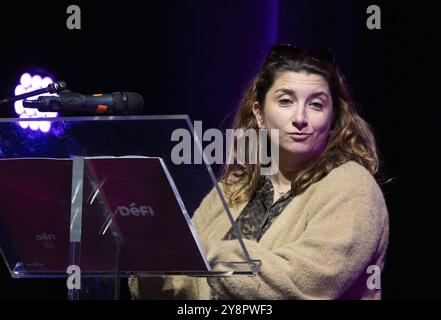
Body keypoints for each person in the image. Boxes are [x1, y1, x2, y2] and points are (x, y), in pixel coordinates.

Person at [129, 44, 389, 300]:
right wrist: (148, 258)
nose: (300, 118)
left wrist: (200, 252)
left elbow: (303, 284)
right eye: (286, 101)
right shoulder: (236, 185)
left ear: (332, 118)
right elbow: (187, 285)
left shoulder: (351, 187)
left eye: (316, 105)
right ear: (260, 114)